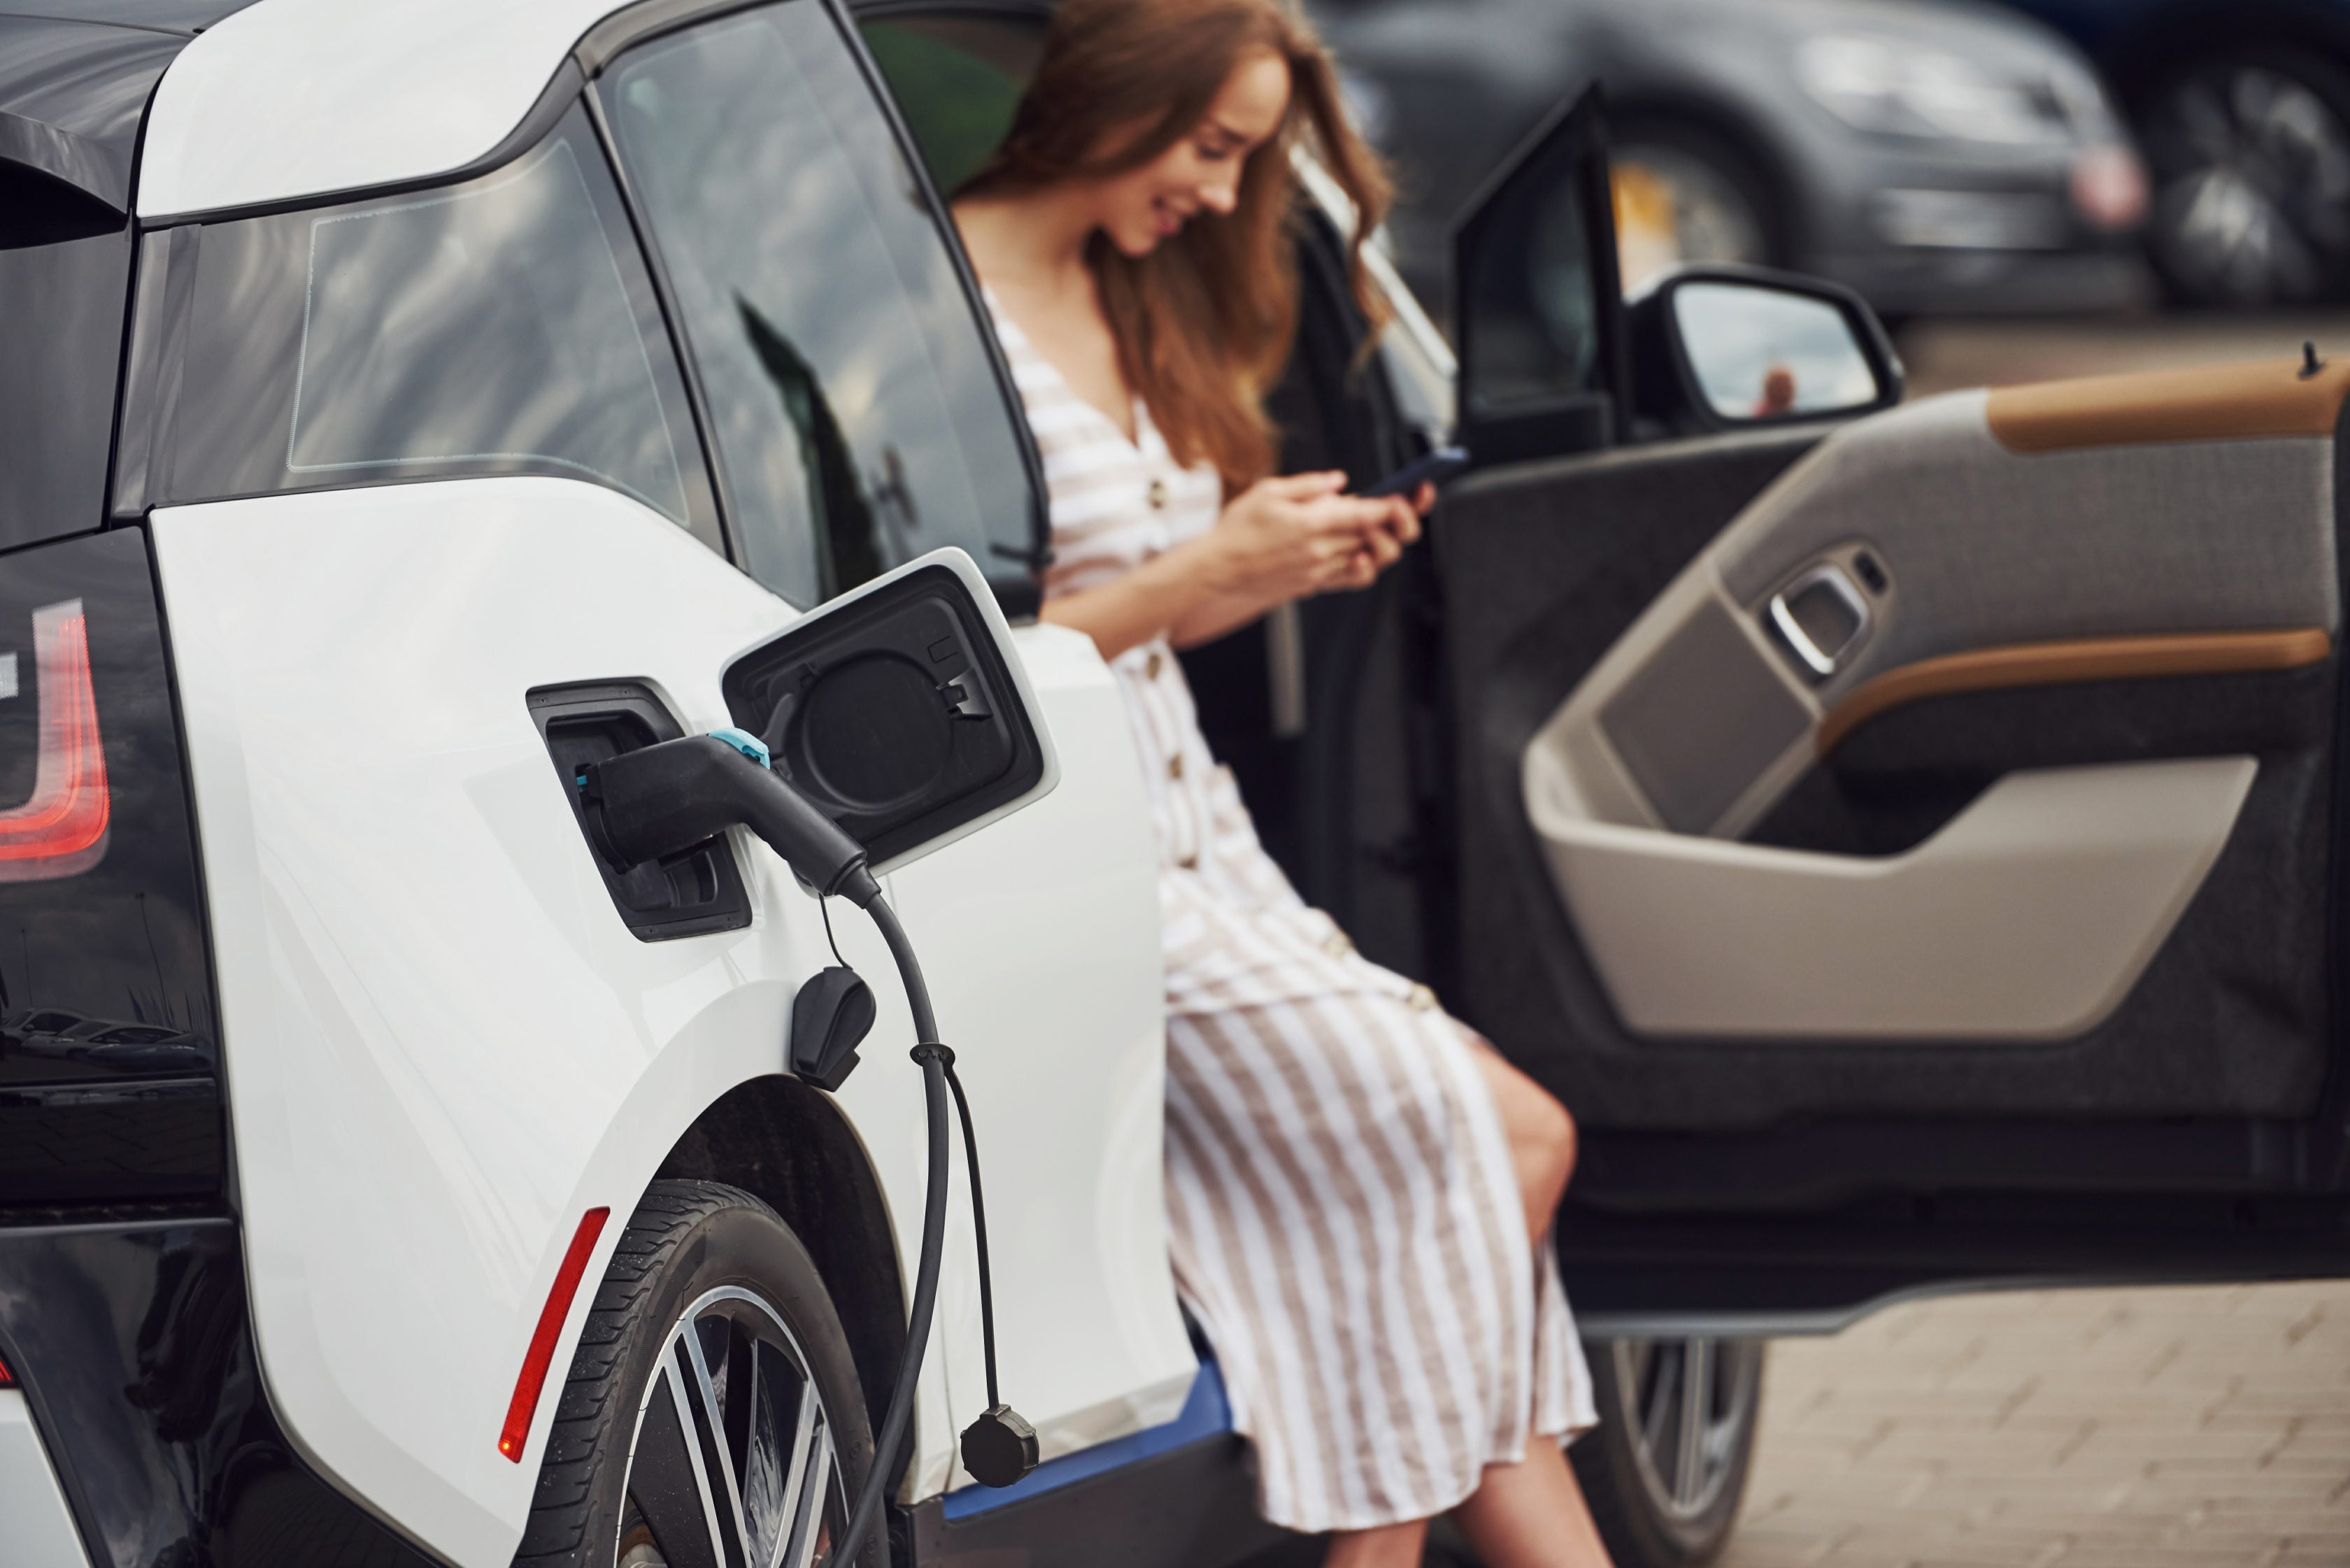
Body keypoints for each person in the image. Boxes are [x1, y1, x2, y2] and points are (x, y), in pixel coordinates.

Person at [952, 3, 1611, 1563]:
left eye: (1245, 157)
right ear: (1118, 93)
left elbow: (1152, 609)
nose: (1218, 185)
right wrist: (1207, 559)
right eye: (1213, 143)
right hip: (1073, 847)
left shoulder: (1129, 290)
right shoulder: (938, 304)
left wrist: (1278, 568)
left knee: (1461, 1214)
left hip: (1204, 832)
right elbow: (955, 647)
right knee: (1509, 1146)